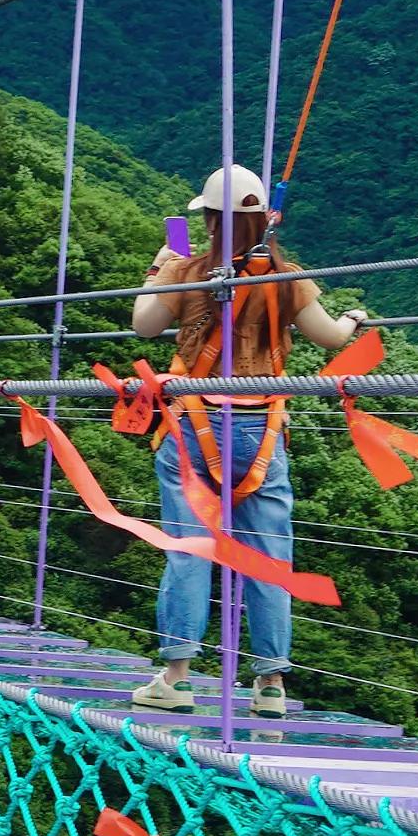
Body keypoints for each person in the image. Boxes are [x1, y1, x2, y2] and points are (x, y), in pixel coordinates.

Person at [124, 164, 360, 715]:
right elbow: (329, 337)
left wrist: (160, 266)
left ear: (209, 219)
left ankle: (177, 678)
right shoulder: (286, 277)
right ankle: (271, 685)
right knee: (268, 556)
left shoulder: (186, 270)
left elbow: (143, 326)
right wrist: (353, 319)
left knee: (190, 548)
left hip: (193, 425)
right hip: (263, 431)